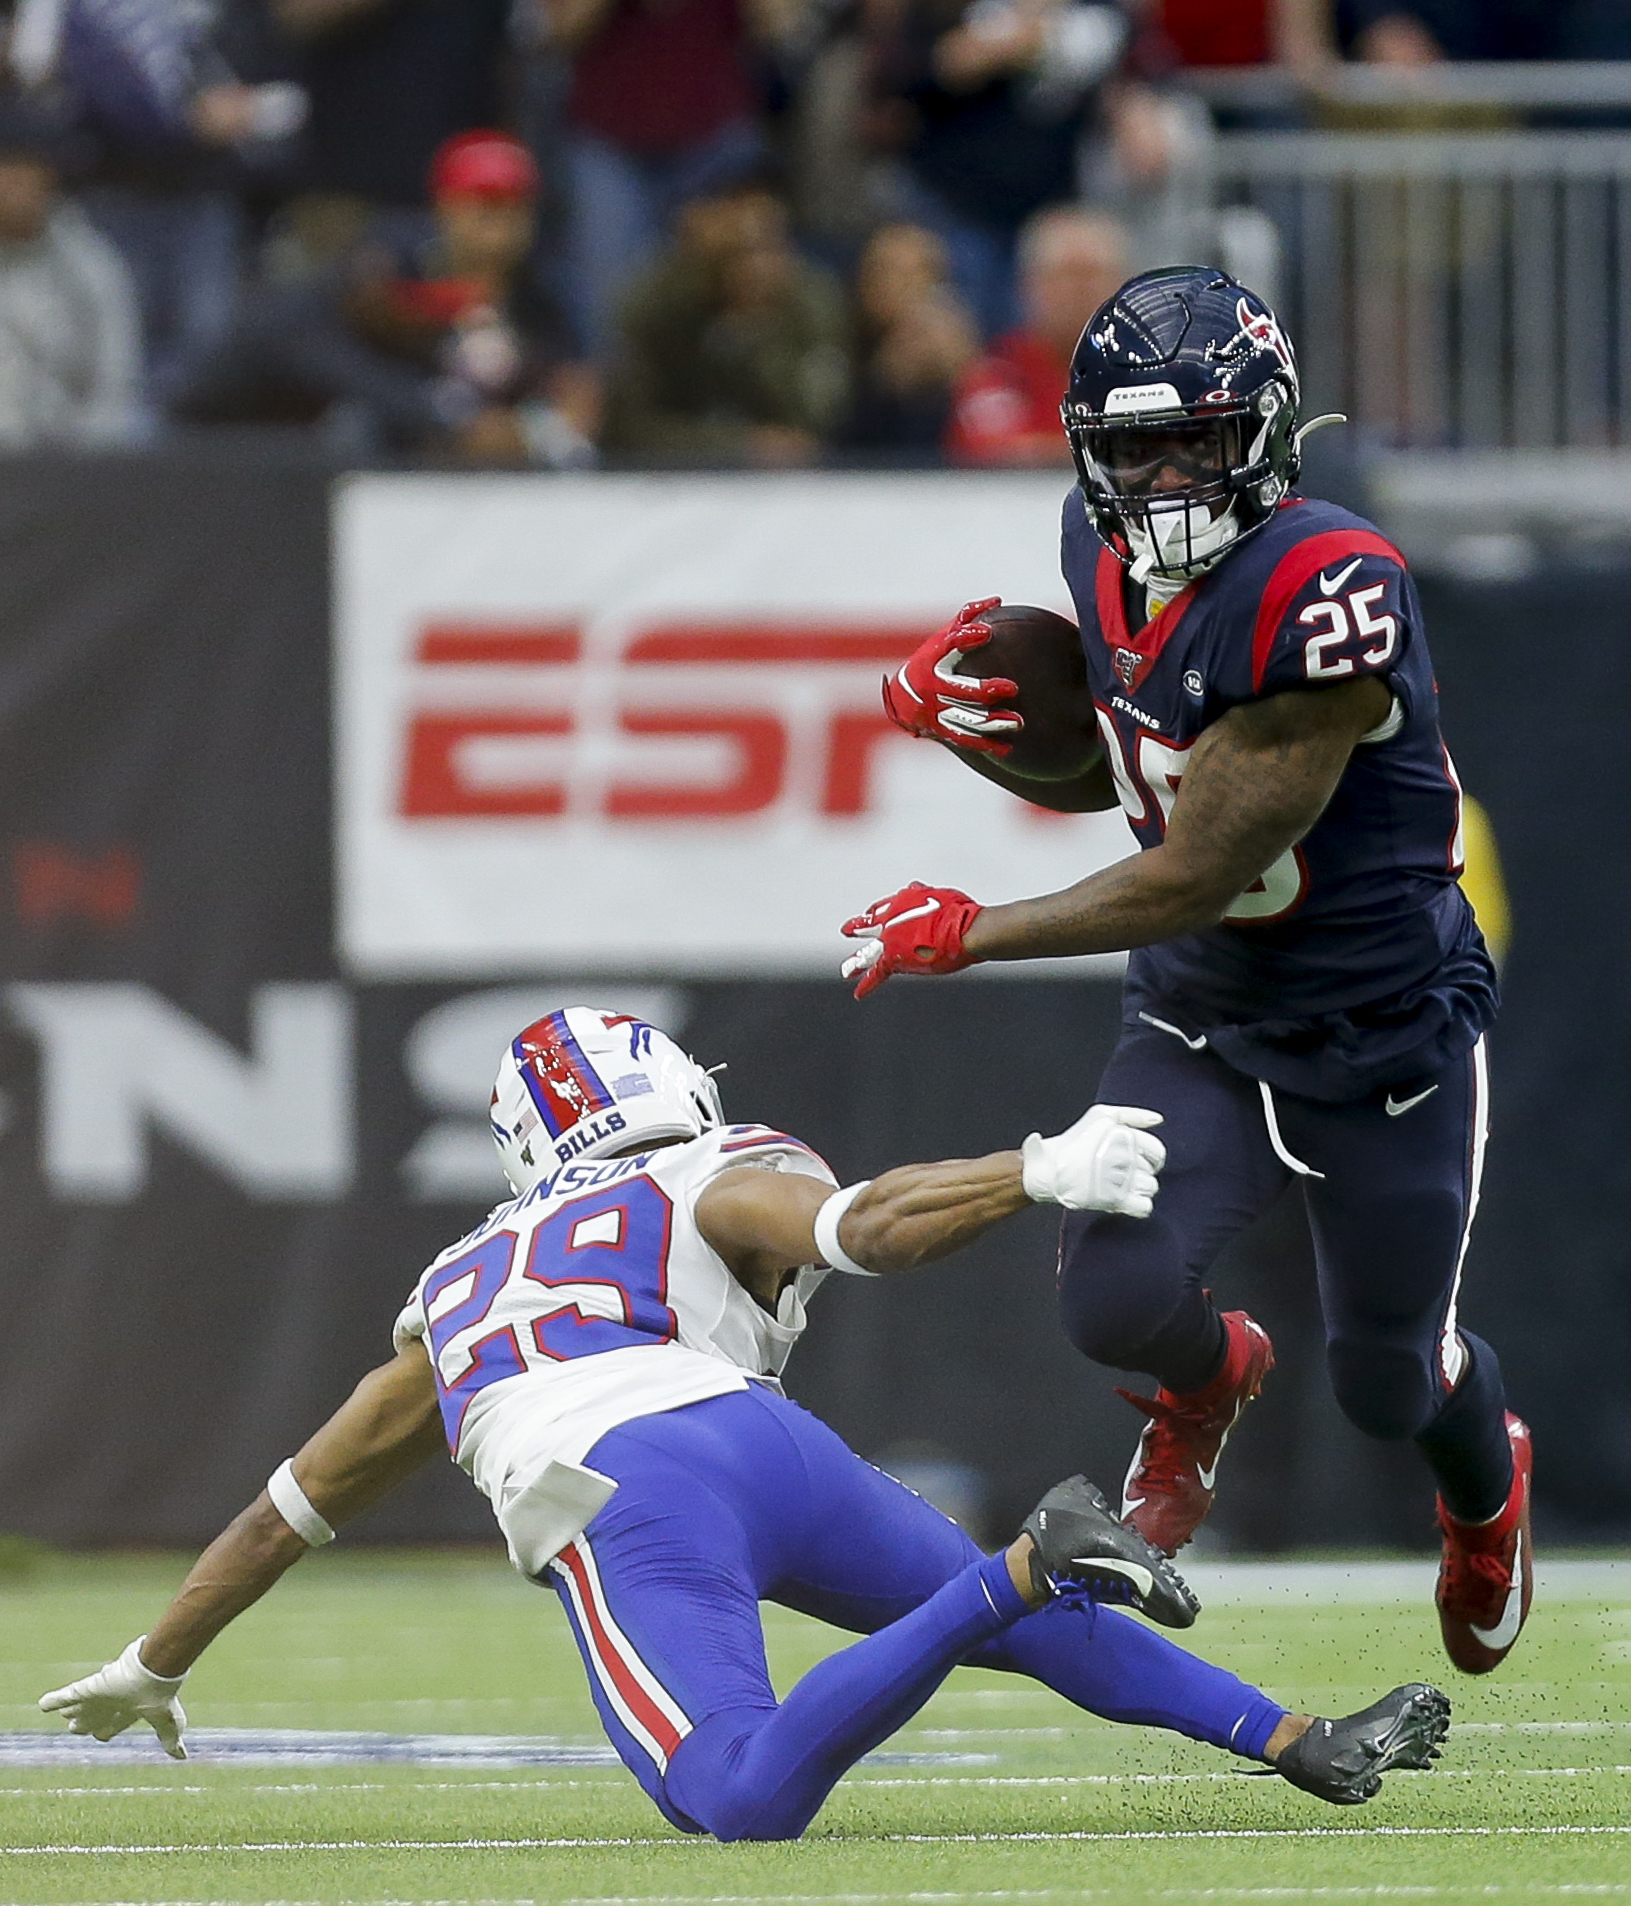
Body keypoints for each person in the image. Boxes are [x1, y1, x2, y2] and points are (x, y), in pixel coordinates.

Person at [38, 1006, 1449, 1836]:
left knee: (737, 1795)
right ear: (667, 1083)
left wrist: (155, 1655)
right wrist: (1027, 1169)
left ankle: (1024, 1558)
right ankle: (1297, 1737)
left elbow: (295, 1498)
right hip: (761, 1447)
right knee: (1029, 1634)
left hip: (620, 1485)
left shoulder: (458, 1281)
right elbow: (862, 1226)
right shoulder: (716, 1162)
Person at [844, 266, 1532, 1678]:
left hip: (1378, 1032)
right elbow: (1120, 772)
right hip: (1205, 1009)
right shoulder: (1093, 557)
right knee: (1107, 1295)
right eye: (1129, 449)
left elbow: (1199, 860)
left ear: (1266, 438)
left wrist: (971, 927)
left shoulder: (1328, 587)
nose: (1159, 482)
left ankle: (1485, 1489)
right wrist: (972, 727)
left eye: (1195, 442)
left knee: (1388, 1380)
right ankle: (1206, 1382)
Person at [178, 130, 595, 466]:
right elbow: (309, 345)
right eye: (486, 207)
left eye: (517, 209)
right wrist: (449, 416)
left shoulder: (535, 298)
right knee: (358, 423)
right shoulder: (391, 259)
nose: (502, 228)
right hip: (224, 430)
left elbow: (564, 385)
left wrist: (544, 425)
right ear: (447, 207)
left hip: (400, 456)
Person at [602, 179, 848, 468]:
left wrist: (756, 332)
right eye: (739, 249)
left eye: (769, 246)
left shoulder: (812, 304)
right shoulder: (658, 308)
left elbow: (817, 420)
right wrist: (738, 445)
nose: (755, 266)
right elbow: (630, 428)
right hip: (674, 479)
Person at [0, 91, 141, 447]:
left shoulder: (89, 267)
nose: (11, 187)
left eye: (23, 172)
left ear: (49, 178)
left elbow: (114, 389)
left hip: (57, 468)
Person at [944, 204, 1126, 467]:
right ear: (1030, 285)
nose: (1082, 290)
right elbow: (993, 455)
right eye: (1068, 275)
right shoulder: (998, 371)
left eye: (1094, 274)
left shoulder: (1150, 371)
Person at [838, 221, 978, 457]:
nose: (902, 287)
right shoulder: (839, 343)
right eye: (886, 271)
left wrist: (962, 375)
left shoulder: (964, 360)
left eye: (917, 273)